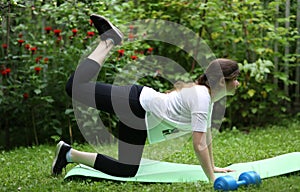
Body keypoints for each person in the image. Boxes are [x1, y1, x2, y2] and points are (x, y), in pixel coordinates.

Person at [51, 14, 240, 182]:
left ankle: (67, 154)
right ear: (223, 82)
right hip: (135, 103)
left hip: (139, 117)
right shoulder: (202, 98)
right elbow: (198, 145)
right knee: (74, 87)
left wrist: (213, 168)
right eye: (236, 79)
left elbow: (205, 139)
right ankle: (108, 40)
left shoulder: (206, 98)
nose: (238, 84)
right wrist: (212, 179)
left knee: (126, 170)